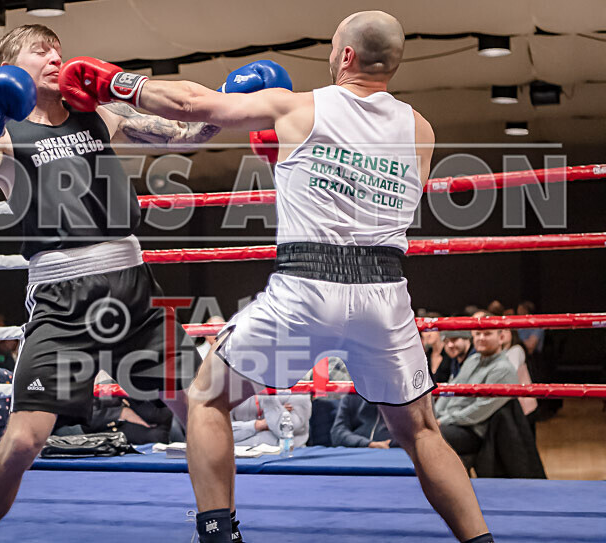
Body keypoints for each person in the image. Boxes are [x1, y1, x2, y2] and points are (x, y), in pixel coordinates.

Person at [58, 10, 496, 542]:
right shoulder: (420, 130)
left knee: (206, 397)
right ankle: (481, 539)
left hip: (308, 289)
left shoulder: (299, 106)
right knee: (423, 430)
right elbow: (377, 199)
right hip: (385, 297)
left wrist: (112, 80)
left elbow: (191, 106)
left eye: (334, 47)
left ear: (347, 56)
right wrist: (283, 158)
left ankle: (219, 532)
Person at [0, 25, 276, 543]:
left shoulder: (98, 114)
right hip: (59, 296)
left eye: (57, 49)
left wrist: (227, 99)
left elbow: (186, 135)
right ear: (8, 68)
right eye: (39, 51)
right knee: (24, 441)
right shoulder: (3, 133)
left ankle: (218, 531)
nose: (55, 57)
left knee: (202, 401)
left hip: (131, 286)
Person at [434, 321, 519, 458]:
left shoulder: (503, 369)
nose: (481, 338)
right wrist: (434, 416)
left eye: (487, 334)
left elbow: (479, 410)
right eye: (478, 334)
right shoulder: (472, 360)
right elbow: (451, 389)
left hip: (471, 430)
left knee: (422, 438)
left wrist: (442, 421)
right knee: (409, 430)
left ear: (501, 337)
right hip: (450, 422)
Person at [230, 393, 311, 448]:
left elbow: (285, 432)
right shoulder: (230, 388)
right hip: (240, 458)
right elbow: (224, 433)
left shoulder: (298, 390)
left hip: (287, 458)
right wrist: (258, 425)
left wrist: (269, 396)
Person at [330, 393, 396, 449]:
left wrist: (393, 443)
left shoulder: (402, 397)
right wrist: (368, 444)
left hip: (393, 451)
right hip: (357, 451)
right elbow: (337, 433)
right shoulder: (351, 396)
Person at [501, 329, 537, 418]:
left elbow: (508, 373)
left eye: (505, 330)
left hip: (523, 404)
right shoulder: (500, 352)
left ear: (512, 333)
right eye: (499, 330)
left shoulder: (516, 349)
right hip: (512, 402)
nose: (502, 333)